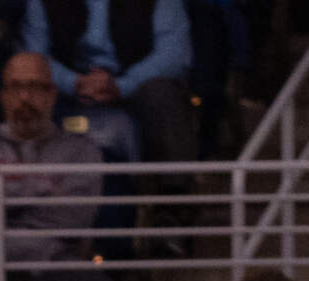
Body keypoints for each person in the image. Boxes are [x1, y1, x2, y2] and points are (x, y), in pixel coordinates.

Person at [0, 52, 103, 281]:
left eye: (35, 87)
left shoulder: (81, 151)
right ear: (3, 95)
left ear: (52, 95)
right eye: (15, 87)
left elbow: (73, 219)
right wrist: (44, 190)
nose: (25, 97)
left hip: (57, 270)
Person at [17, 0, 193, 169]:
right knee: (25, 86)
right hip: (65, 90)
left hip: (134, 88)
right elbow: (33, 53)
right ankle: (25, 188)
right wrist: (74, 82)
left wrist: (120, 85)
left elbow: (174, 55)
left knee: (162, 94)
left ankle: (172, 194)